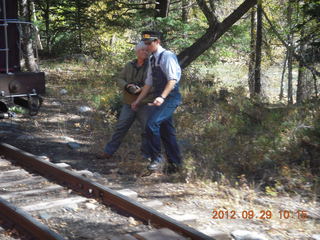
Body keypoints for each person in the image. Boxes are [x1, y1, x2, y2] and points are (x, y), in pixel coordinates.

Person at [131, 31, 182, 173]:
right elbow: (148, 83)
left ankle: (157, 159)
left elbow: (172, 80)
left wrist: (162, 97)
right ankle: (175, 165)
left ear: (157, 41)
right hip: (161, 98)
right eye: (145, 44)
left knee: (151, 124)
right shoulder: (153, 59)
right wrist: (137, 101)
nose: (146, 46)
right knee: (167, 132)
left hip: (170, 97)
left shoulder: (167, 56)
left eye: (149, 43)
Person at [97, 42, 152, 159]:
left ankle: (146, 156)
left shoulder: (152, 66)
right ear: (137, 51)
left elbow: (152, 83)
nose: (145, 52)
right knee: (120, 128)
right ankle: (108, 152)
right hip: (128, 102)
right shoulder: (129, 65)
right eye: (142, 50)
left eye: (147, 50)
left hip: (145, 103)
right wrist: (127, 86)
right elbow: (119, 78)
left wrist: (140, 90)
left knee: (147, 130)